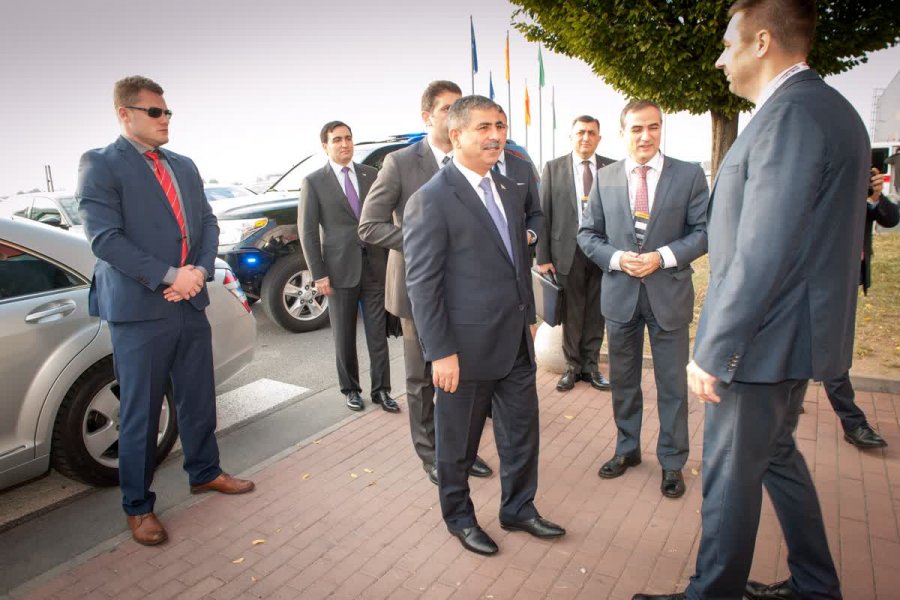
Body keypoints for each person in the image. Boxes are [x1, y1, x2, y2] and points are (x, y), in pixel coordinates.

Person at [633, 1, 869, 598]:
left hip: (762, 341)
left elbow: (764, 247)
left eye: (727, 43)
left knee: (729, 474)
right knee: (777, 455)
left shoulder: (790, 115)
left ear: (761, 42)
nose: (720, 58)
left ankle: (712, 592)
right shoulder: (824, 108)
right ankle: (815, 585)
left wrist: (715, 350)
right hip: (789, 335)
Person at [77, 76, 254, 547]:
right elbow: (105, 240)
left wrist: (197, 272)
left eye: (167, 111)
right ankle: (138, 506)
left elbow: (207, 223)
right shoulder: (100, 164)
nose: (165, 119)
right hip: (139, 311)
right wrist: (169, 276)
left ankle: (205, 471)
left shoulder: (183, 165)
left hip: (189, 300)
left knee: (198, 397)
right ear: (125, 114)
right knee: (141, 412)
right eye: (154, 112)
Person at [403, 95, 564, 556]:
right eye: (484, 128)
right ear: (456, 135)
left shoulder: (510, 188)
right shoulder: (431, 199)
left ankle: (519, 509)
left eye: (501, 126)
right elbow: (423, 285)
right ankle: (459, 518)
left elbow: (514, 264)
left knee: (521, 435)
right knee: (458, 445)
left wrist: (528, 319)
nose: (496, 136)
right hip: (463, 351)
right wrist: (440, 352)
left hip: (515, 342)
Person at [358, 81, 492, 483]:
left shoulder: (473, 161)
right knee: (422, 378)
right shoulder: (400, 163)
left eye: (459, 107)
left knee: (463, 376)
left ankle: (462, 450)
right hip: (417, 291)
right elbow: (369, 225)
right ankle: (431, 454)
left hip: (466, 291)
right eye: (446, 108)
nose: (454, 115)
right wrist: (425, 240)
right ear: (427, 116)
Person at [578, 100, 709, 500]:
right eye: (636, 128)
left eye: (653, 127)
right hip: (620, 297)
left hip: (668, 295)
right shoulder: (605, 178)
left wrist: (661, 257)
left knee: (672, 385)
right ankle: (627, 448)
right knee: (623, 382)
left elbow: (704, 231)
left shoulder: (688, 175)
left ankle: (672, 461)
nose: (645, 136)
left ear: (661, 129)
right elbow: (588, 235)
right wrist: (618, 258)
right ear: (623, 133)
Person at [299, 121, 398, 414]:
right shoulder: (314, 182)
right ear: (325, 146)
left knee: (378, 334)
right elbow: (307, 232)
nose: (344, 144)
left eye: (348, 138)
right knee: (344, 336)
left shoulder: (371, 175)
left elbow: (386, 218)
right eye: (337, 140)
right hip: (338, 271)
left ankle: (382, 390)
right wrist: (318, 274)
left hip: (375, 266)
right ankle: (351, 389)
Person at [536, 116, 614, 392]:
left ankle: (591, 367)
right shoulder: (553, 168)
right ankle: (572, 367)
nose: (585, 137)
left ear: (599, 138)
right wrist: (543, 257)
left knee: (596, 312)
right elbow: (543, 213)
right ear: (571, 137)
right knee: (571, 313)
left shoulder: (612, 168)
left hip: (602, 251)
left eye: (591, 133)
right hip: (566, 253)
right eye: (580, 132)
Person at [821, 167, 897, 450]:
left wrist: (875, 197)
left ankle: (790, 397)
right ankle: (853, 422)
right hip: (823, 281)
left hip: (848, 280)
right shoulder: (828, 187)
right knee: (832, 351)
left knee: (821, 345)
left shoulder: (862, 197)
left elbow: (891, 219)